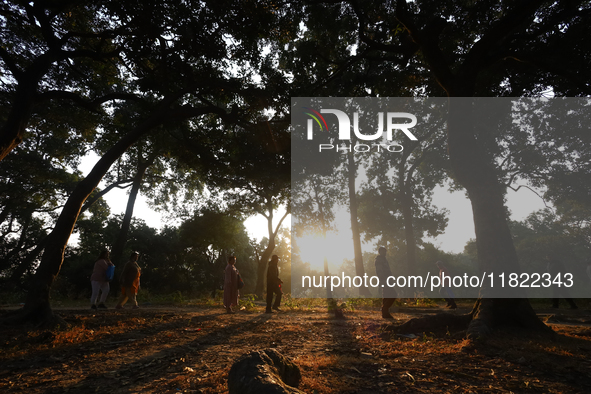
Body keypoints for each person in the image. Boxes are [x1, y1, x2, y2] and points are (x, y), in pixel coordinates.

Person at [375, 246, 397, 319]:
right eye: (383, 251)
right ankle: (385, 310)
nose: (385, 253)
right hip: (384, 280)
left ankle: (385, 313)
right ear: (380, 252)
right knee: (393, 294)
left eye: (385, 251)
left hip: (388, 280)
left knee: (386, 296)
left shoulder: (384, 260)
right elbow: (379, 271)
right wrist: (383, 280)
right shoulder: (379, 260)